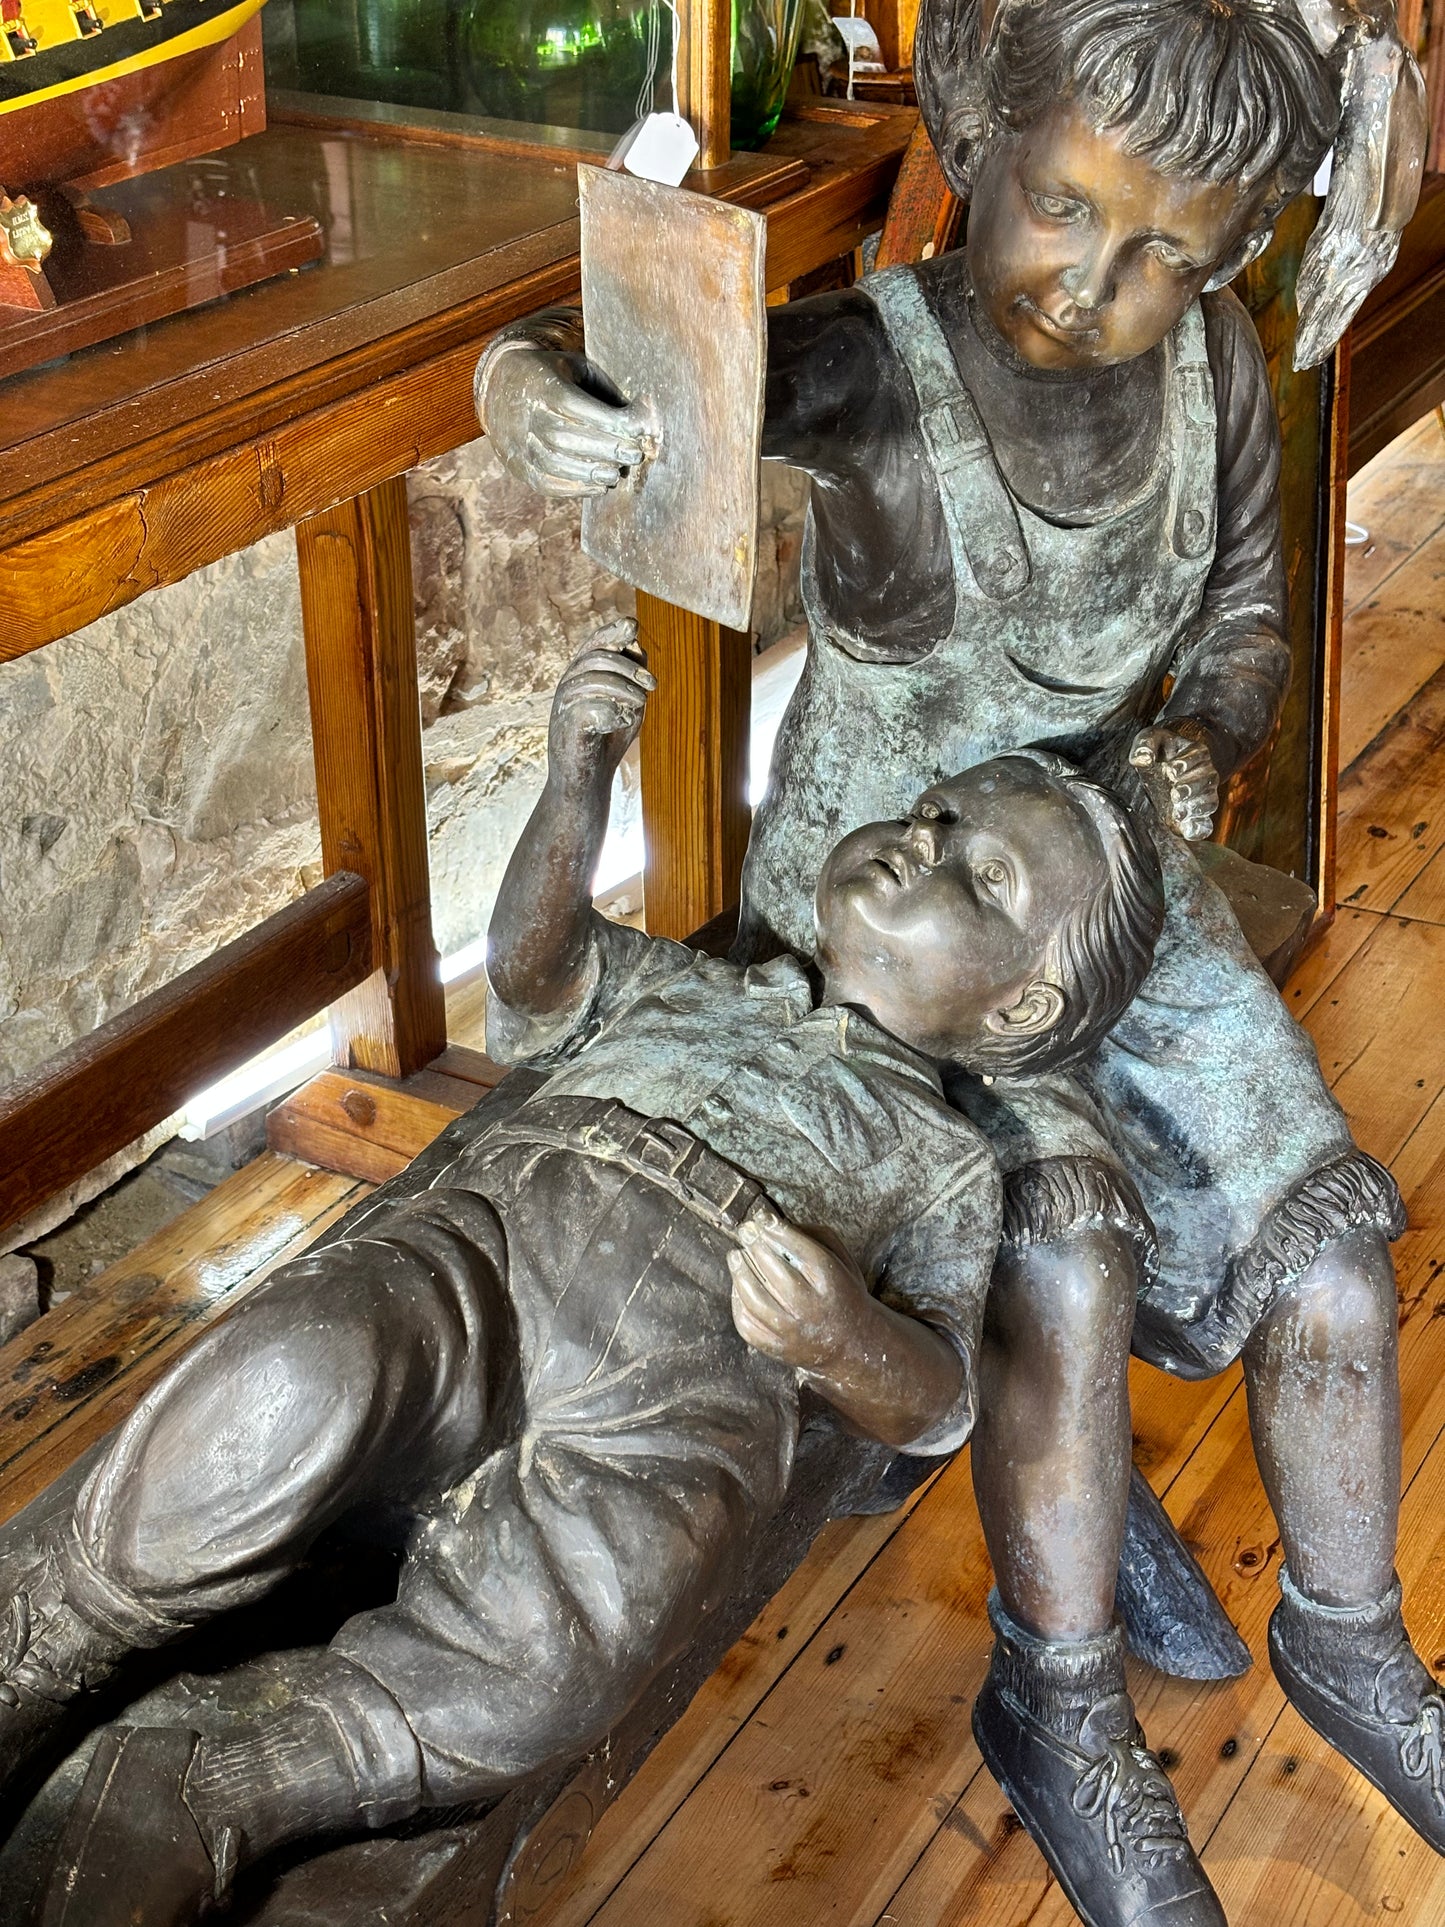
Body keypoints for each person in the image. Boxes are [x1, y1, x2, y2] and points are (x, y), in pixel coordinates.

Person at [477, 1, 1436, 1916]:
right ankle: (1057, 1691)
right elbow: (658, 377)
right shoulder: (874, 372)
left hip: (1106, 904)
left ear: (1236, 249)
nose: (1105, 285)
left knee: (1328, 1245)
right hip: (894, 927)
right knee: (1055, 1244)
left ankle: (1354, 1639)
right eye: (1070, 212)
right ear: (986, 145)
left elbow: (1249, 613)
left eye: (1174, 251)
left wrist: (1209, 734)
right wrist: (531, 386)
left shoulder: (1219, 374)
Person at [0, 625, 1172, 1926]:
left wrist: (841, 1339)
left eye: (980, 875)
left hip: (671, 1395)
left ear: (1015, 1012)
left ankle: (230, 1771)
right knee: (299, 1361)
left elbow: (941, 1400)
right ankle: (47, 1638)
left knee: (582, 1625)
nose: (924, 842)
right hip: (494, 1258)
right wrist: (576, 775)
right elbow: (534, 967)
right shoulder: (679, 988)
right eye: (934, 814)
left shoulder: (944, 1159)